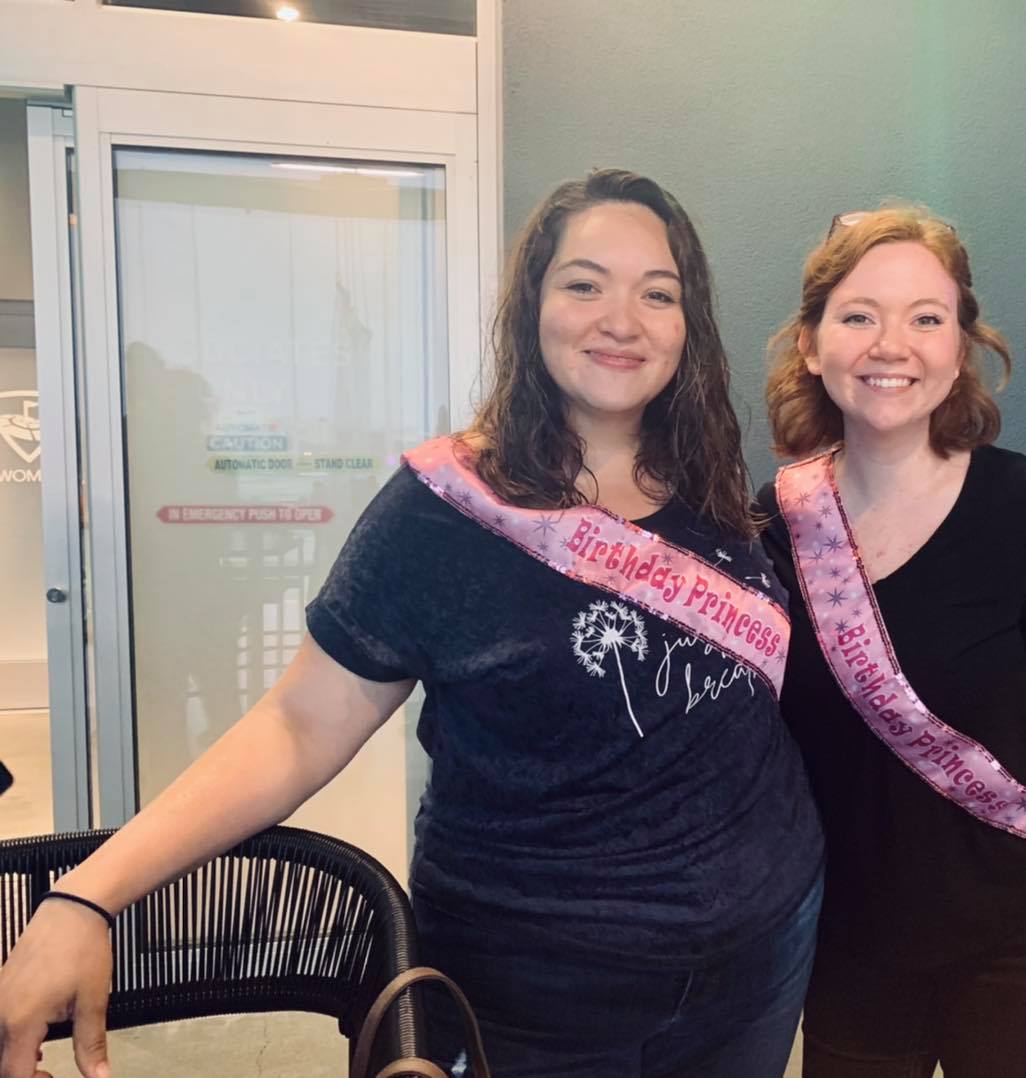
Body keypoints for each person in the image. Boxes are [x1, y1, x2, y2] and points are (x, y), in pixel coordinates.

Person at [0, 170, 824, 1078]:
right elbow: (298, 725)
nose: (621, 320)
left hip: (761, 953)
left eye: (657, 294)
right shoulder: (441, 510)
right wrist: (88, 896)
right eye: (584, 284)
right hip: (539, 988)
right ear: (531, 306)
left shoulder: (711, 481)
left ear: (688, 324)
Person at [757, 206, 1026, 1078]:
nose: (891, 346)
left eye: (926, 318)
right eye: (858, 315)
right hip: (852, 947)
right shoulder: (773, 526)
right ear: (812, 345)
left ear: (961, 346)